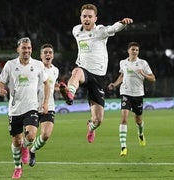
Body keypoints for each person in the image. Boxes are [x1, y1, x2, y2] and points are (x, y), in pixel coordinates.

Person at [59, 3, 133, 143]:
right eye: (84, 16)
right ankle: (70, 94)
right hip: (84, 71)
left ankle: (91, 127)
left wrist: (122, 23)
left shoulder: (100, 31)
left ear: (95, 18)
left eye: (89, 16)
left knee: (98, 120)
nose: (86, 19)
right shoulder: (76, 30)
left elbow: (113, 28)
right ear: (80, 17)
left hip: (98, 77)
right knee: (77, 71)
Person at [0, 37, 50, 179]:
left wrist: (45, 103)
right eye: (24, 48)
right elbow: (0, 82)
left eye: (29, 48)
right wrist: (1, 89)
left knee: (31, 135)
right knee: (16, 140)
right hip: (14, 109)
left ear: (31, 49)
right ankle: (17, 167)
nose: (26, 51)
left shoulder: (38, 65)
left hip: (32, 107)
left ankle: (26, 148)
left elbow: (46, 84)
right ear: (18, 49)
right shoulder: (10, 65)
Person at [108, 42, 156, 156]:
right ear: (128, 51)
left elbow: (153, 78)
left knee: (138, 120)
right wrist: (115, 84)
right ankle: (123, 147)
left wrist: (143, 74)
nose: (134, 52)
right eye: (133, 49)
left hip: (138, 94)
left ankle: (140, 134)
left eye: (136, 50)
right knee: (124, 118)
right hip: (125, 93)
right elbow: (122, 75)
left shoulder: (143, 63)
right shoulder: (123, 63)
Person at [29, 44, 59, 167]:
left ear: (53, 55)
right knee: (29, 136)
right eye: (45, 52)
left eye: (50, 52)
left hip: (49, 106)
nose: (48, 54)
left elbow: (52, 86)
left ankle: (32, 151)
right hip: (32, 106)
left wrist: (62, 88)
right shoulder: (34, 67)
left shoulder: (55, 70)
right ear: (41, 56)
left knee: (46, 135)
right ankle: (22, 152)